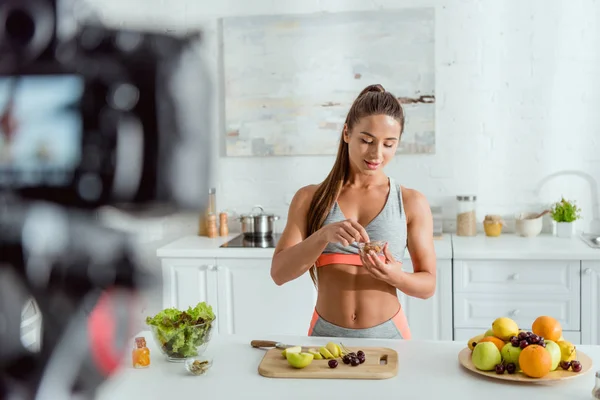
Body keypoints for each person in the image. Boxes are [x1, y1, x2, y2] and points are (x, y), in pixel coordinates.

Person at [270, 84, 437, 339]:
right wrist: (323, 236)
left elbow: (428, 286)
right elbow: (279, 274)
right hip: (325, 336)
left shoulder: (411, 202)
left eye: (388, 144)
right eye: (366, 140)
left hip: (389, 335)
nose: (376, 154)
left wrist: (397, 276)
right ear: (347, 133)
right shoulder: (310, 199)